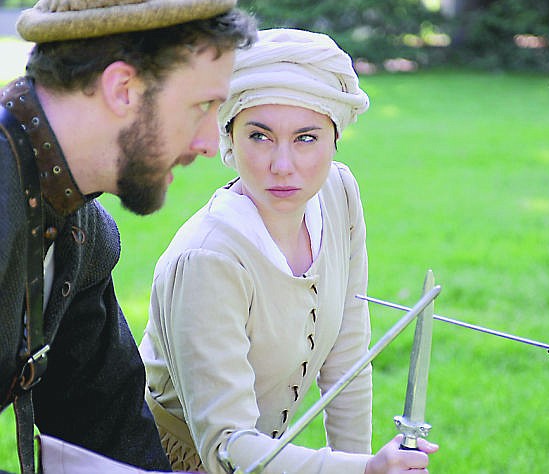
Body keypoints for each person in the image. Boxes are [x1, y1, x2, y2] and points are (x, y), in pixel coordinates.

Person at [139, 28, 438, 473]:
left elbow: (348, 355)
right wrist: (363, 471)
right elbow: (227, 446)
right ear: (230, 136)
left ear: (335, 138)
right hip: (171, 461)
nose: (283, 165)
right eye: (259, 136)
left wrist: (359, 462)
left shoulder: (338, 193)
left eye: (306, 137)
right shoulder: (208, 259)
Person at [0, 0, 256, 471]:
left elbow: (107, 432)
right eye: (201, 105)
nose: (210, 142)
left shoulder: (82, 232)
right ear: (123, 88)